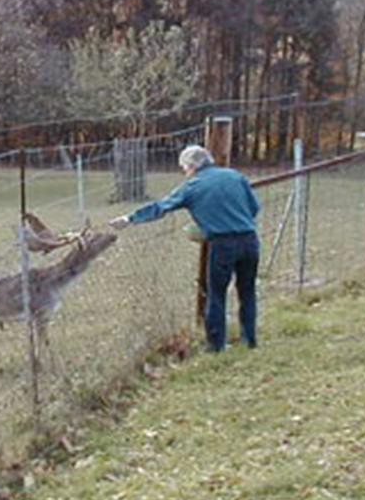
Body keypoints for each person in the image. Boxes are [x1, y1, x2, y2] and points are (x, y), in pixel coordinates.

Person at [109, 144, 261, 352]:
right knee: (247, 291)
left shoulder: (193, 186)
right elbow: (254, 208)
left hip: (222, 244)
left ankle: (216, 346)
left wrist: (130, 218)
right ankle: (249, 340)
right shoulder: (235, 176)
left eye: (184, 168)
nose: (184, 173)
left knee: (216, 295)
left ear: (191, 166)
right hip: (250, 240)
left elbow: (161, 207)